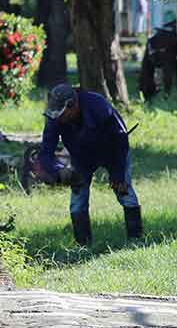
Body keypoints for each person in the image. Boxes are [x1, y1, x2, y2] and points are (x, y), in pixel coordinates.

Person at [37, 83, 143, 247]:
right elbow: (46, 152)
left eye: (61, 114)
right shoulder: (54, 118)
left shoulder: (97, 105)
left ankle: (136, 241)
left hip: (113, 152)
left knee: (124, 191)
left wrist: (118, 175)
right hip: (81, 158)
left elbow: (120, 139)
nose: (58, 118)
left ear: (73, 105)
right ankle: (83, 246)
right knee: (78, 199)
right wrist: (58, 171)